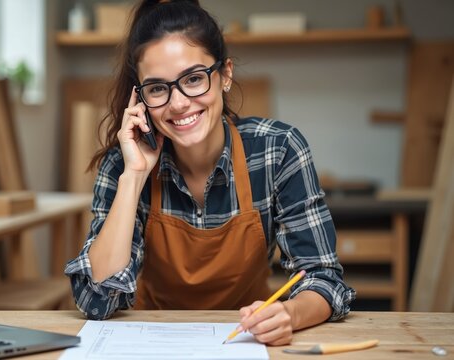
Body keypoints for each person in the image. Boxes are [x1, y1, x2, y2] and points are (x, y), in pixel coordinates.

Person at [65, 0, 355, 346]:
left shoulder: (278, 151)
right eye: (158, 88)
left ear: (225, 75)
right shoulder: (123, 165)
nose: (178, 103)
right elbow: (97, 301)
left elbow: (323, 278)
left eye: (193, 79)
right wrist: (134, 177)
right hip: (150, 345)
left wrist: (289, 315)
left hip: (245, 342)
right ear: (140, 99)